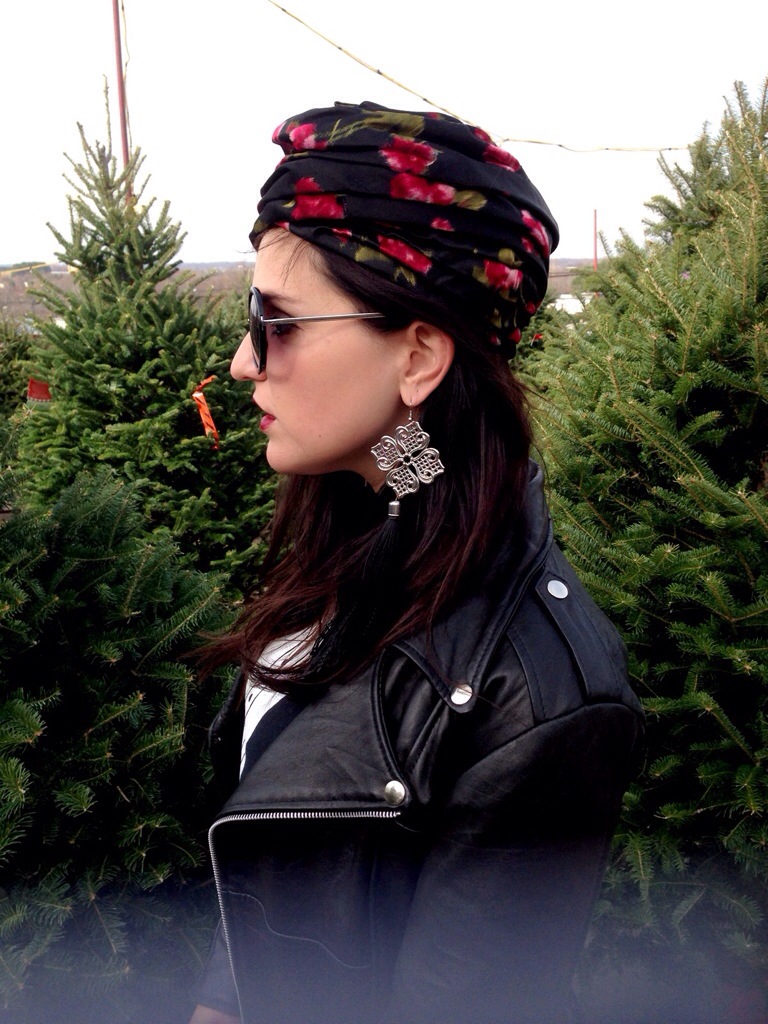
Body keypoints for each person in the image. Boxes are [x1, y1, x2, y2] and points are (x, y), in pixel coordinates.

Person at [189, 100, 644, 1024]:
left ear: (420, 357)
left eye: (277, 322)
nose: (243, 361)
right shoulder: (380, 507)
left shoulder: (537, 701)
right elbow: (276, 881)